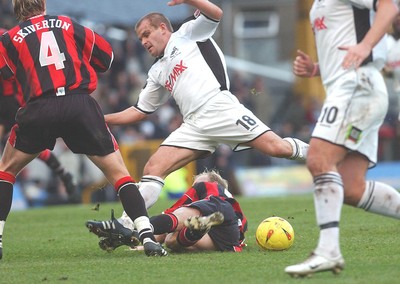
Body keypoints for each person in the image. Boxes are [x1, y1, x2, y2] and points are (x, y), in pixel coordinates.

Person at [104, 0, 309, 213]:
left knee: (277, 148)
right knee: (153, 168)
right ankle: (128, 224)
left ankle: (319, 155)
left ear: (163, 28)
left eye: (147, 34)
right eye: (140, 39)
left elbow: (216, 13)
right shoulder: (156, 71)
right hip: (193, 125)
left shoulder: (186, 33)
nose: (144, 41)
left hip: (220, 108)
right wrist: (102, 119)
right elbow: (139, 111)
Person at [0, 0, 166, 259]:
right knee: (119, 174)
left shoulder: (9, 37)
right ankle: (146, 236)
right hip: (80, 105)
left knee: (6, 171)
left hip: (40, 107)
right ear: (43, 3)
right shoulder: (67, 23)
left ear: (15, 8)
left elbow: (5, 74)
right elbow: (107, 57)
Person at [284, 0, 400, 277]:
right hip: (352, 86)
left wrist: (365, 46)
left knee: (319, 159)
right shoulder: (318, 5)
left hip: (356, 85)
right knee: (351, 188)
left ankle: (327, 251)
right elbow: (346, 43)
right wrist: (316, 68)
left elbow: (389, 7)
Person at [86, 169, 247, 253]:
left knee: (173, 220)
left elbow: (169, 218)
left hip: (216, 209)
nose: (193, 187)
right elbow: (242, 230)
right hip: (229, 237)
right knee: (172, 242)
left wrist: (138, 231)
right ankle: (197, 230)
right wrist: (146, 243)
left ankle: (125, 228)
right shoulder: (231, 202)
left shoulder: (207, 187)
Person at [0, 54, 78, 203]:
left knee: (32, 146)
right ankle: (63, 174)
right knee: (27, 148)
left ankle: (63, 174)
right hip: (11, 101)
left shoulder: (5, 39)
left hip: (16, 103)